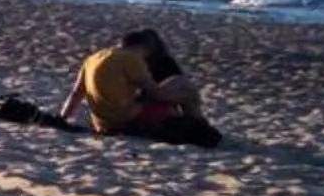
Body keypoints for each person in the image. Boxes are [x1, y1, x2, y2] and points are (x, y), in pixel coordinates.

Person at [64, 27, 220, 147]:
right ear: (145, 48)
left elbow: (75, 94)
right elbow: (156, 93)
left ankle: (197, 125)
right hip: (125, 120)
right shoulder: (132, 59)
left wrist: (62, 119)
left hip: (102, 123)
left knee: (177, 82)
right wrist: (185, 95)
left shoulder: (92, 59)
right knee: (186, 89)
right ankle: (200, 125)